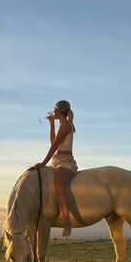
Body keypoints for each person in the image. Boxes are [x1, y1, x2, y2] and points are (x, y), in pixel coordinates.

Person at [34, 100, 78, 237]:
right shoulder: (61, 124)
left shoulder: (65, 124)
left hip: (66, 162)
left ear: (58, 112)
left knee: (58, 183)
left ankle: (67, 222)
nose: (53, 113)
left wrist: (43, 162)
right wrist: (51, 124)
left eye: (54, 111)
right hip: (57, 161)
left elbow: (53, 147)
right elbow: (53, 142)